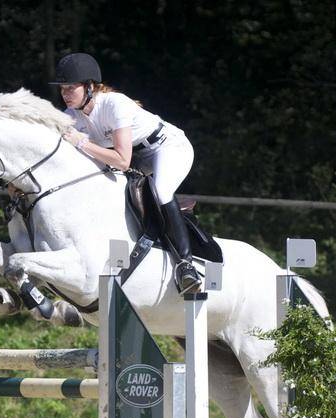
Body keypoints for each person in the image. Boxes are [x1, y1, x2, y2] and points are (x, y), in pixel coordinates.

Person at [50, 52, 217, 294]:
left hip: (167, 147)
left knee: (161, 191)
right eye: (62, 89)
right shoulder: (71, 116)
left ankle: (185, 265)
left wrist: (81, 143)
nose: (65, 94)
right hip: (138, 158)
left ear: (89, 87)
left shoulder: (113, 103)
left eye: (70, 88)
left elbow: (121, 160)